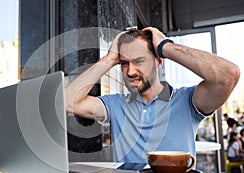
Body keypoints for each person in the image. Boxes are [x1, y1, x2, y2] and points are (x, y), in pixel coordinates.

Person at [65, 27, 240, 165]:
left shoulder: (187, 101)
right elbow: (66, 103)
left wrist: (166, 46)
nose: (130, 71)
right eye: (124, 63)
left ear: (158, 62)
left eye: (139, 61)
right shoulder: (116, 104)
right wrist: (110, 58)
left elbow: (228, 75)